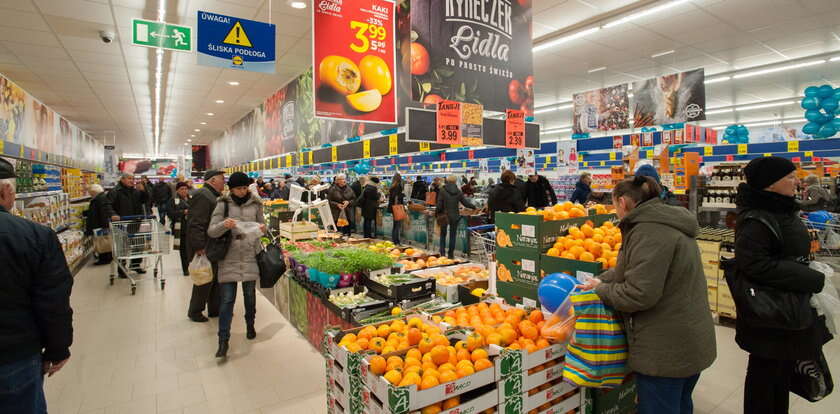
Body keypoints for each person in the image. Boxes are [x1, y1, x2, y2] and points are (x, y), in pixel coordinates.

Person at [580, 175, 716, 414]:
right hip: (687, 337)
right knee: (681, 403)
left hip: (666, 349)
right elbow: (632, 268)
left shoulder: (648, 232)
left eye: (613, 205)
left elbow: (638, 294)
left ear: (622, 202)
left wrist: (601, 290)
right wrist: (601, 279)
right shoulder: (663, 221)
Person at [733, 157, 831, 414]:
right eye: (789, 177)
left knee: (781, 374)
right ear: (770, 184)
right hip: (769, 311)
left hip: (785, 307)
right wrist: (808, 276)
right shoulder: (757, 218)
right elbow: (754, 264)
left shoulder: (781, 209)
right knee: (764, 376)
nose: (796, 182)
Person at [0, 159, 74, 413]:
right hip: (14, 354)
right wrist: (58, 347)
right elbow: (52, 300)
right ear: (5, 192)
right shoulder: (34, 236)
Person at [207, 172, 265, 358]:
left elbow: (263, 227)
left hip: (249, 254)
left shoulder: (256, 204)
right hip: (229, 257)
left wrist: (262, 229)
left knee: (250, 295)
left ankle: (250, 325)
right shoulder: (222, 204)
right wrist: (225, 224)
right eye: (239, 188)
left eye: (245, 187)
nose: (242, 191)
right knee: (227, 300)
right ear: (231, 189)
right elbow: (212, 231)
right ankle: (223, 340)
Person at [186, 170, 225, 323]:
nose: (224, 182)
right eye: (222, 179)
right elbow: (196, 223)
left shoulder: (212, 195)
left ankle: (215, 309)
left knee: (214, 277)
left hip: (212, 243)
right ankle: (195, 311)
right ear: (213, 180)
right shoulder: (203, 195)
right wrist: (199, 246)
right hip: (205, 245)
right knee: (204, 278)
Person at [103, 173, 149, 276]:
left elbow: (145, 200)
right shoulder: (115, 191)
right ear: (122, 179)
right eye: (129, 178)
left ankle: (135, 265)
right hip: (121, 223)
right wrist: (113, 214)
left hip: (136, 222)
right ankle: (122, 269)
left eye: (133, 178)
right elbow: (107, 205)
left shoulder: (136, 191)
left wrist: (143, 190)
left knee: (139, 245)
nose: (132, 180)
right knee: (122, 247)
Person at [436, 175, 476, 258]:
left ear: (447, 180)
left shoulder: (442, 190)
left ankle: (442, 254)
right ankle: (451, 254)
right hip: (455, 216)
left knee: (443, 235)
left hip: (444, 215)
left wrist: (437, 213)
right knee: (452, 236)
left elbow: (439, 205)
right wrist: (474, 207)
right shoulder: (458, 191)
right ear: (455, 182)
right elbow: (465, 203)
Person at [167, 182, 191, 276]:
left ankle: (192, 266)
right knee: (184, 250)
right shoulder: (173, 200)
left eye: (185, 188)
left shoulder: (191, 199)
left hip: (191, 228)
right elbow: (170, 214)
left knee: (191, 249)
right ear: (177, 190)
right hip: (181, 229)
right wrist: (183, 212)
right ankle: (185, 268)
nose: (184, 190)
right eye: (182, 189)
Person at [85, 184, 112, 265]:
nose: (90, 194)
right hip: (100, 224)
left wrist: (104, 226)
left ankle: (104, 259)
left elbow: (102, 213)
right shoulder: (100, 198)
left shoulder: (99, 199)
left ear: (94, 192)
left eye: (90, 193)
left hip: (99, 225)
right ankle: (107, 258)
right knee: (103, 241)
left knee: (102, 242)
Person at [388, 173, 406, 245]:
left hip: (393, 208)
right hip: (397, 208)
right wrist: (402, 195)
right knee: (397, 226)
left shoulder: (392, 186)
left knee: (395, 225)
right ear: (399, 179)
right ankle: (397, 241)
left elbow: (393, 196)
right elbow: (396, 197)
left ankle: (394, 240)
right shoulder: (398, 186)